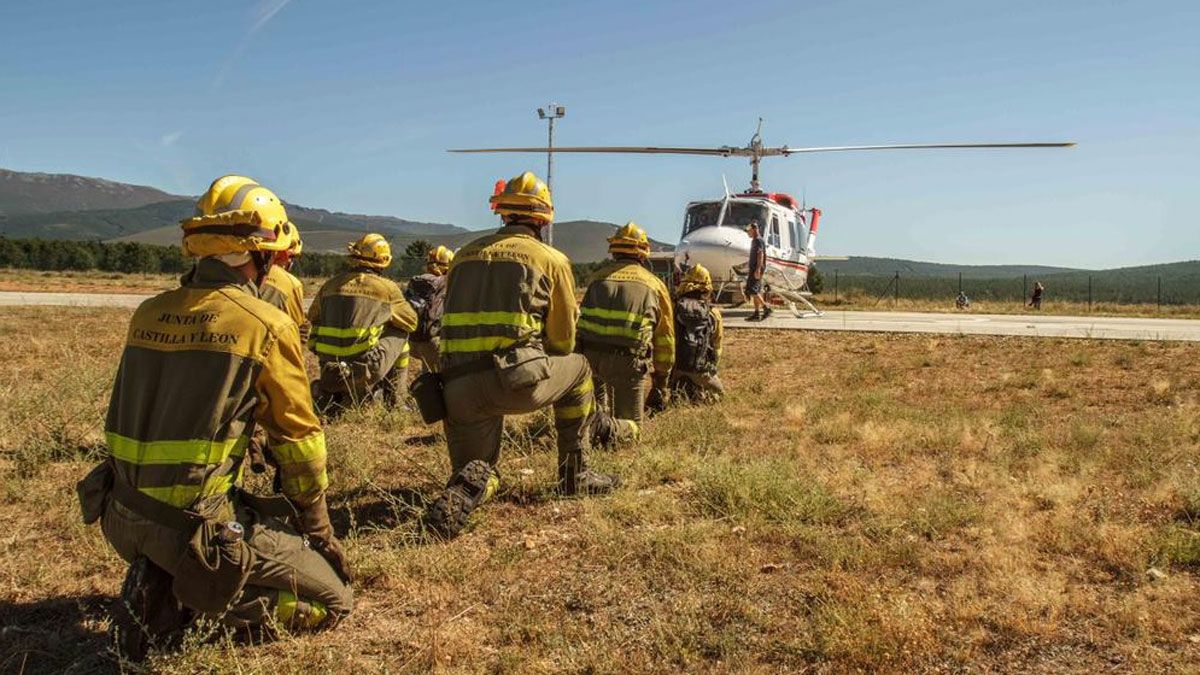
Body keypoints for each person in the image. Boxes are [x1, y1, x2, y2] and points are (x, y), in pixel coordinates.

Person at [76, 175, 352, 661]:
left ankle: (166, 575)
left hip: (119, 516)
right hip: (193, 531)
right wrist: (319, 535)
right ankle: (189, 603)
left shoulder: (149, 312)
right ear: (261, 254)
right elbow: (299, 443)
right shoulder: (264, 325)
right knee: (331, 600)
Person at [423, 171, 620, 539]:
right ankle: (575, 474)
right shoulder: (550, 259)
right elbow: (563, 340)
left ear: (502, 212)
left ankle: (472, 487)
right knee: (579, 369)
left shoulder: (463, 256)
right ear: (543, 219)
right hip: (514, 383)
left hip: (456, 388)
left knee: (479, 468)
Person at [577, 222, 674, 439]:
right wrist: (661, 380)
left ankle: (594, 428)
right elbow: (665, 338)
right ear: (643, 253)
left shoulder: (596, 278)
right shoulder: (654, 285)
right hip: (628, 364)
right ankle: (604, 431)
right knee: (632, 430)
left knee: (594, 412)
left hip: (589, 359)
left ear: (614, 252)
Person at [307, 234, 418, 412]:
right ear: (384, 260)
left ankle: (334, 392)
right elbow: (411, 323)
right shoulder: (386, 288)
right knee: (400, 333)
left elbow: (312, 316)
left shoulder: (329, 285)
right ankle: (397, 400)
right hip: (363, 370)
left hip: (328, 368)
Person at [670, 264, 725, 403]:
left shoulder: (674, 308)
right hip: (702, 371)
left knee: (675, 396)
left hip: (676, 369)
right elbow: (717, 347)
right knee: (719, 397)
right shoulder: (714, 313)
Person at [403, 245, 453, 373]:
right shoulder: (447, 282)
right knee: (440, 380)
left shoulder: (417, 281)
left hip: (413, 340)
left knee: (427, 376)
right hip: (434, 340)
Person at [745, 221, 771, 321]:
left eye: (749, 231)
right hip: (754, 268)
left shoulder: (758, 240)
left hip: (756, 269)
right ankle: (756, 313)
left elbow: (761, 255)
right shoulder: (755, 240)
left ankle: (766, 308)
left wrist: (758, 269)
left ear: (754, 230)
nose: (748, 233)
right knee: (755, 291)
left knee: (753, 290)